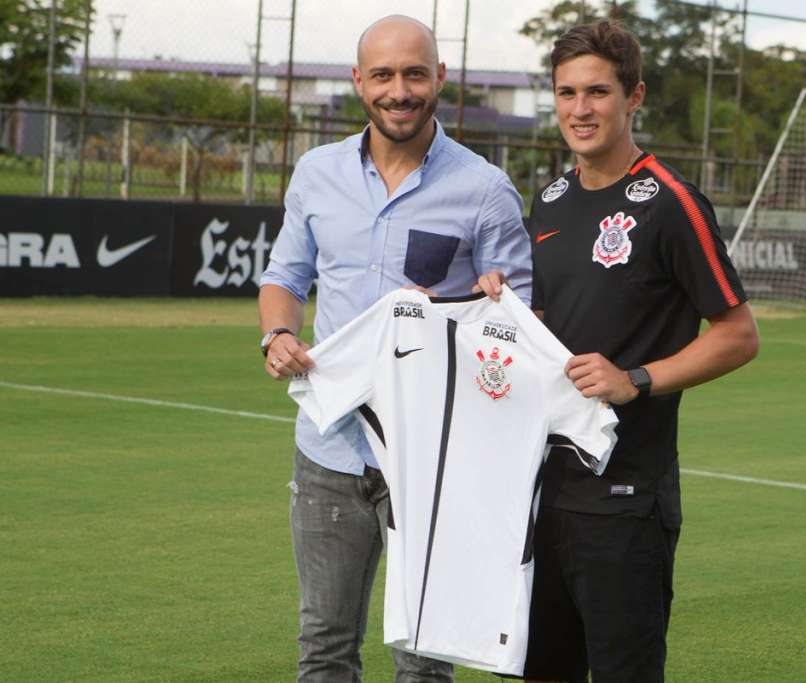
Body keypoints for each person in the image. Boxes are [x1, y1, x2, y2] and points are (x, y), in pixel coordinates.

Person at [477, 20, 759, 683]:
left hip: (627, 502)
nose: (580, 109)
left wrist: (636, 378)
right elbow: (543, 328)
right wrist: (499, 310)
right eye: (567, 92)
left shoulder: (669, 201)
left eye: (598, 92)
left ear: (634, 97)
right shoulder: (549, 202)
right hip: (542, 494)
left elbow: (739, 333)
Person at [258, 14, 532, 682]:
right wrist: (278, 332)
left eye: (414, 73)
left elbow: (524, 325)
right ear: (359, 81)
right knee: (323, 647)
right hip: (329, 443)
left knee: (424, 660)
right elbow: (285, 277)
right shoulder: (316, 173)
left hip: (435, 458)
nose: (399, 90)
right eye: (383, 74)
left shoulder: (485, 188)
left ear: (439, 78)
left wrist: (500, 304)